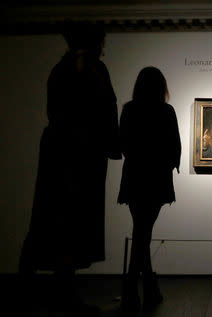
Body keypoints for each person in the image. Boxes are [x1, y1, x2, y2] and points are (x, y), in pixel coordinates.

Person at [18, 21, 121, 315]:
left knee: (52, 218)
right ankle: (61, 295)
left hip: (61, 151)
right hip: (81, 155)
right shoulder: (93, 71)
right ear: (94, 43)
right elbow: (106, 112)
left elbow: (58, 112)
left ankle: (38, 289)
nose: (104, 48)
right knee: (70, 221)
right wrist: (112, 145)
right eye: (102, 42)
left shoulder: (61, 69)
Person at [118, 66, 181, 314]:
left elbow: (122, 143)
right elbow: (174, 146)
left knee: (141, 231)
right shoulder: (166, 111)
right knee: (143, 232)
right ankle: (141, 287)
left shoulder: (129, 110)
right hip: (156, 177)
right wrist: (168, 164)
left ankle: (139, 288)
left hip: (135, 176)